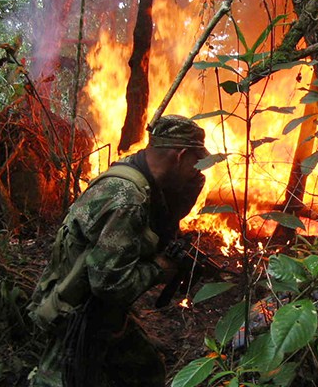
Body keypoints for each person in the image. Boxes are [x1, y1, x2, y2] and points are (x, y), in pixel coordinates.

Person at [27, 115, 208, 387]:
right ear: (180, 155)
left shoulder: (140, 173)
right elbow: (109, 285)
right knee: (60, 379)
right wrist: (161, 269)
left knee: (146, 372)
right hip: (75, 314)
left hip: (101, 311)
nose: (199, 171)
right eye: (196, 163)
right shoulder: (128, 198)